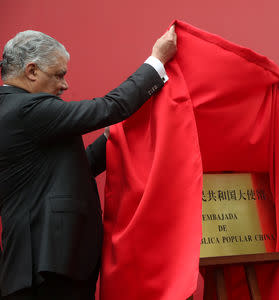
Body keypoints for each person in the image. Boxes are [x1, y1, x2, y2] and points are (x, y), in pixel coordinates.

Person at [0, 26, 177, 300]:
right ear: (32, 71)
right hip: (45, 267)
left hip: (51, 265)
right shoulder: (24, 109)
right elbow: (108, 107)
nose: (64, 85)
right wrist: (156, 61)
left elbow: (74, 170)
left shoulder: (17, 111)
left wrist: (111, 136)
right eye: (59, 75)